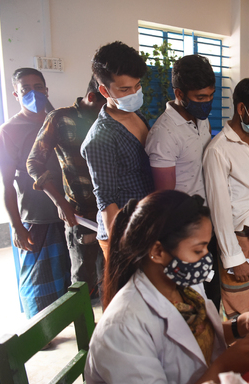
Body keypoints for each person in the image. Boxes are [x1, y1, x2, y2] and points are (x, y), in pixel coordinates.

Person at [84, 190, 249, 384]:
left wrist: (239, 326)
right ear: (158, 252)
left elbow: (194, 334)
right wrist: (224, 366)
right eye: (197, 250)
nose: (205, 258)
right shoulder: (123, 328)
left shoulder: (181, 285)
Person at [145, 54, 220, 308]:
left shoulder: (202, 119)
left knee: (211, 296)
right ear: (179, 93)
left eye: (211, 95)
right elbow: (165, 198)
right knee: (189, 301)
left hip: (206, 220)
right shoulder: (164, 134)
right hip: (183, 230)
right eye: (200, 97)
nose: (207, 102)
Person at [0, 68, 70, 318]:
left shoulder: (61, 120)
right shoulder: (9, 131)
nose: (33, 93)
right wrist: (16, 225)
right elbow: (7, 184)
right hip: (38, 216)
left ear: (46, 90)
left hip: (72, 213)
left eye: (38, 87)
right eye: (26, 89)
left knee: (75, 281)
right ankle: (41, 333)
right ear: (16, 94)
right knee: (39, 288)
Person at [203, 78, 249, 319]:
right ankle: (241, 355)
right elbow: (220, 211)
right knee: (242, 312)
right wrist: (234, 259)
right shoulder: (218, 150)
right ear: (241, 109)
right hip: (240, 241)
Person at [27, 76, 107, 298]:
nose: (108, 110)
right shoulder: (60, 118)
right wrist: (60, 202)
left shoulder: (111, 119)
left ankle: (109, 331)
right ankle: (85, 331)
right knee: (82, 281)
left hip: (110, 213)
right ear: (92, 97)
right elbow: (33, 163)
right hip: (80, 216)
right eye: (105, 103)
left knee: (110, 279)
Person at [81, 41, 154, 261]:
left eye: (137, 86)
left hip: (147, 226)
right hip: (123, 236)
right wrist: (123, 250)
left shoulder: (138, 116)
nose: (133, 93)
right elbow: (106, 200)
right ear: (104, 90)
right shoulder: (101, 137)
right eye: (124, 89)